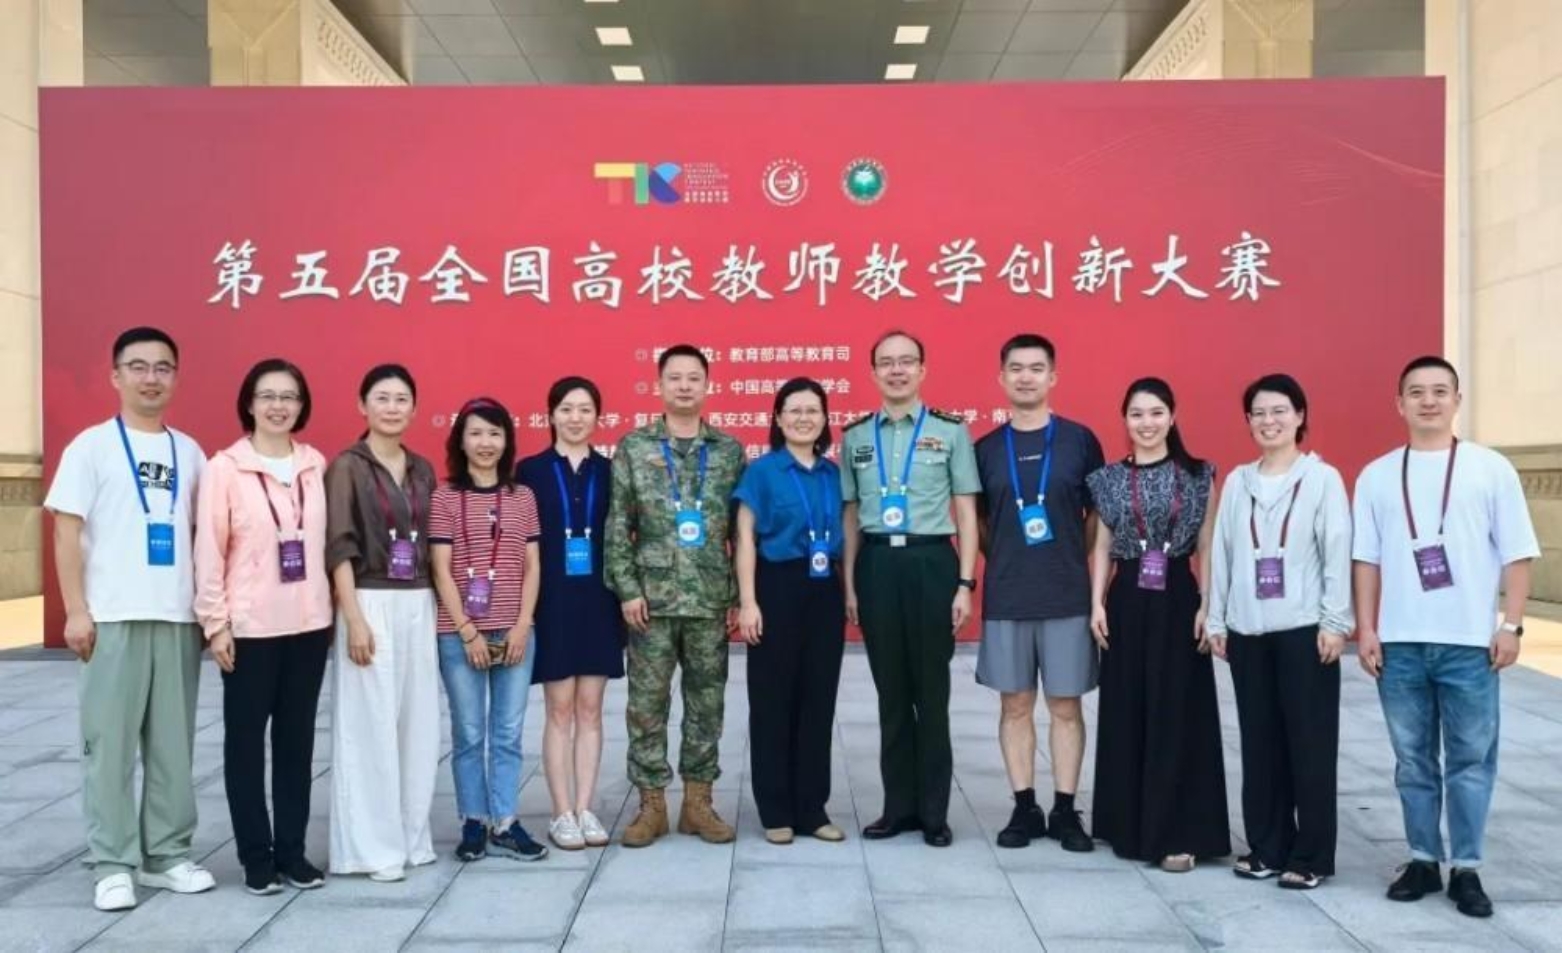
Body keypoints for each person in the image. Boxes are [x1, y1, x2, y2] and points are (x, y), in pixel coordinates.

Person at [1353, 356, 1539, 918]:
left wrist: (1511, 625)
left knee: (1470, 760)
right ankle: (1422, 859)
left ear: (1457, 400)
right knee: (1412, 761)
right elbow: (1366, 559)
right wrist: (1368, 627)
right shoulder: (1378, 475)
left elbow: (1518, 554)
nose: (1428, 401)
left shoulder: (1490, 469)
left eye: (1439, 391)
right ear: (1399, 403)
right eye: (1416, 392)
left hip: (1470, 645)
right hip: (1401, 644)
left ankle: (1467, 868)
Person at [45, 327, 214, 911]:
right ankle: (113, 863)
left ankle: (166, 855)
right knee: (109, 746)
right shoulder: (90, 447)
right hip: (112, 618)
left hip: (176, 617)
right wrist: (76, 610)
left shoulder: (190, 452)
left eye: (162, 367)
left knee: (172, 747)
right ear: (115, 376)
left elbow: (206, 535)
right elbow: (66, 531)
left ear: (176, 377)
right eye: (138, 367)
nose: (151, 378)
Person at [1206, 373, 1353, 890]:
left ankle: (1310, 855)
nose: (1269, 421)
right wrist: (1218, 618)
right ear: (1248, 421)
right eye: (1259, 413)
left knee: (1309, 745)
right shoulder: (1238, 482)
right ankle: (1267, 846)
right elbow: (1222, 554)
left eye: (1279, 411)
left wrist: (1336, 622)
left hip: (1304, 632)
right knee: (1259, 743)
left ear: (1299, 416)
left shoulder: (1322, 479)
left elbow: (1336, 552)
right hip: (1248, 631)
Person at [194, 358, 332, 896]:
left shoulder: (314, 465)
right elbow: (210, 551)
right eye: (268, 396)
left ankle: (292, 853)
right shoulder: (225, 468)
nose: (279, 406)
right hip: (249, 630)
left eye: (289, 396)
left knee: (297, 746)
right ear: (249, 404)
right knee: (246, 746)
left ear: (302, 405)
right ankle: (255, 856)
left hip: (308, 626)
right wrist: (216, 623)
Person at [841, 329, 981, 848]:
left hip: (931, 563)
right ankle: (897, 807)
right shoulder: (856, 436)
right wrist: (850, 584)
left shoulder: (950, 431)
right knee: (892, 694)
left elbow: (965, 512)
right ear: (873, 372)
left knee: (932, 693)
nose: (896, 370)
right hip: (878, 565)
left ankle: (934, 813)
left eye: (906, 362)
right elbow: (851, 515)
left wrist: (964, 583)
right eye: (886, 362)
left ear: (922, 369)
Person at [1086, 377, 1228, 872]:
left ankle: (1179, 829)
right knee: (1127, 706)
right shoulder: (1107, 479)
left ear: (1172, 416)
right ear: (1124, 420)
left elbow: (1208, 543)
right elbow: (1102, 546)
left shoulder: (1199, 474)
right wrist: (1096, 603)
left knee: (1178, 710)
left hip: (1179, 597)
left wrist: (1209, 603)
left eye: (1155, 413)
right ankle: (1127, 824)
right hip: (1126, 598)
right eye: (1136, 414)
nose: (1146, 423)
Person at [606, 345, 746, 847]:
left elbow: (741, 531)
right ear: (659, 385)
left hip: (709, 600)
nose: (684, 386)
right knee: (646, 705)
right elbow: (618, 525)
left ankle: (698, 803)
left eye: (693, 378)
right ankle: (651, 805)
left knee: (707, 704)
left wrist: (738, 593)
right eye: (675, 378)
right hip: (652, 602)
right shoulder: (634, 447)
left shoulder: (728, 451)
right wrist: (627, 589)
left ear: (707, 386)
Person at [972, 334, 1104, 852]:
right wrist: (1006, 558)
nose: (1025, 377)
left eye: (1035, 368)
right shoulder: (985, 449)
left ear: (1053, 377)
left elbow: (1096, 517)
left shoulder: (1079, 441)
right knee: (1015, 706)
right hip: (1007, 596)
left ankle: (1065, 809)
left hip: (1066, 594)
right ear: (1001, 378)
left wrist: (1070, 556)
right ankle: (1024, 806)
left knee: (1066, 706)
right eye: (1016, 368)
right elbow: (979, 523)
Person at [324, 364, 440, 882]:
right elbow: (338, 545)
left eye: (401, 400)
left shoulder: (422, 469)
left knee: (418, 724)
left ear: (414, 408)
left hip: (418, 600)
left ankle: (412, 837)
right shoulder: (347, 467)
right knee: (369, 725)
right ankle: (372, 849)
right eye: (382, 398)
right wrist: (353, 618)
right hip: (369, 599)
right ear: (362, 405)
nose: (392, 408)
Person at [430, 398, 547, 863]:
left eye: (495, 433)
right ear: (461, 441)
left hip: (515, 633)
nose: (486, 443)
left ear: (506, 441)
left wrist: (523, 625)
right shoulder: (444, 498)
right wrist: (467, 631)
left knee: (508, 732)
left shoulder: (523, 497)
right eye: (476, 433)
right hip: (460, 636)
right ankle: (474, 821)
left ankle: (505, 821)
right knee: (469, 732)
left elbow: (532, 565)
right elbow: (440, 568)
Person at [734, 378, 847, 845]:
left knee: (818, 700)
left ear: (825, 419)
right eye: (794, 410)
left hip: (824, 590)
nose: (804, 418)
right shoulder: (762, 472)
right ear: (779, 419)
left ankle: (812, 808)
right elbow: (744, 538)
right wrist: (748, 601)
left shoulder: (833, 474)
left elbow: (848, 536)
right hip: (775, 585)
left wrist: (850, 593)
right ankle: (776, 808)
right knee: (772, 700)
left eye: (812, 410)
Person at [517, 377, 624, 852]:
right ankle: (561, 812)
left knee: (591, 709)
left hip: (600, 601)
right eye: (566, 408)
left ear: (598, 416)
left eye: (584, 409)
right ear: (551, 415)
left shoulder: (611, 470)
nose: (575, 417)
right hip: (552, 601)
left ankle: (586, 808)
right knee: (559, 709)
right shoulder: (531, 471)